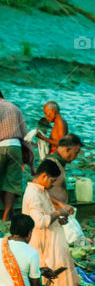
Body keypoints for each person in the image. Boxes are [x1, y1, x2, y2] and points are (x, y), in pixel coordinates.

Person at [22, 159, 79, 286]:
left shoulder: (41, 191)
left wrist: (59, 218)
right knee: (52, 285)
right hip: (44, 248)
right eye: (52, 180)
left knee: (56, 284)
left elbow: (48, 216)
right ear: (44, 176)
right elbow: (39, 222)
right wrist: (58, 212)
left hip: (52, 245)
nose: (52, 184)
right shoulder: (33, 194)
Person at [0, 91, 28, 222]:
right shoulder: (15, 108)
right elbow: (25, 134)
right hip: (15, 147)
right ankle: (6, 215)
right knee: (11, 183)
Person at [45, 133, 83, 205]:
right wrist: (60, 205)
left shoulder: (60, 163)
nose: (76, 157)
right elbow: (39, 192)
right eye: (76, 153)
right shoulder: (52, 163)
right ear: (67, 149)